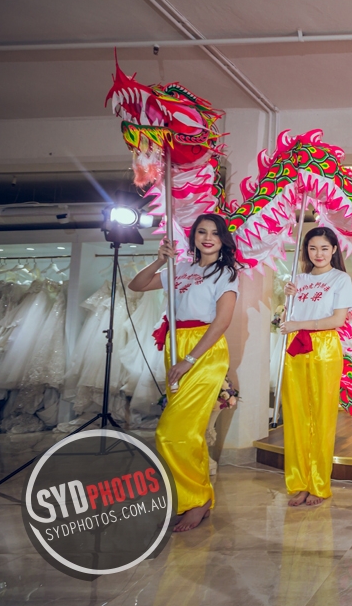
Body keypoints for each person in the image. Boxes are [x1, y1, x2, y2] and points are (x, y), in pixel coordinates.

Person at [129, 213, 239, 532]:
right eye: (202, 232)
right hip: (176, 346)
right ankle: (193, 498)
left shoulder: (227, 273)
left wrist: (189, 359)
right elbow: (136, 285)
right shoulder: (181, 268)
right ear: (193, 238)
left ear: (223, 239)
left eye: (214, 233)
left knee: (169, 432)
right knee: (189, 432)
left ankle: (196, 498)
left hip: (204, 352)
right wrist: (159, 260)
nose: (208, 238)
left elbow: (222, 322)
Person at [278, 226, 352, 507]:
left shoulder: (340, 279)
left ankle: (319, 484)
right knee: (296, 416)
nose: (318, 253)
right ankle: (299, 482)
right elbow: (286, 320)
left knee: (321, 416)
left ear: (334, 250)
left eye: (324, 248)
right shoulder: (298, 279)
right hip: (296, 347)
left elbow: (337, 320)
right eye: (312, 248)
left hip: (324, 347)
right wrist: (287, 299)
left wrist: (298, 323)